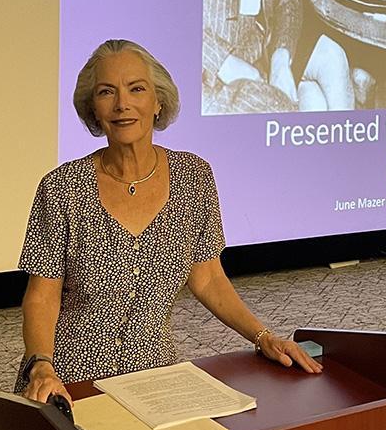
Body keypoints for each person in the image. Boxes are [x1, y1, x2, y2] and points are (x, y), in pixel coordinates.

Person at [17, 39, 321, 403]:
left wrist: (263, 336)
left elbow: (207, 277)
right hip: (67, 381)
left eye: (136, 89)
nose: (122, 104)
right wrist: (41, 366)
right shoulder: (62, 187)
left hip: (154, 378)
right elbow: (42, 295)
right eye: (106, 92)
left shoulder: (194, 177)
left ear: (158, 101)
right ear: (93, 109)